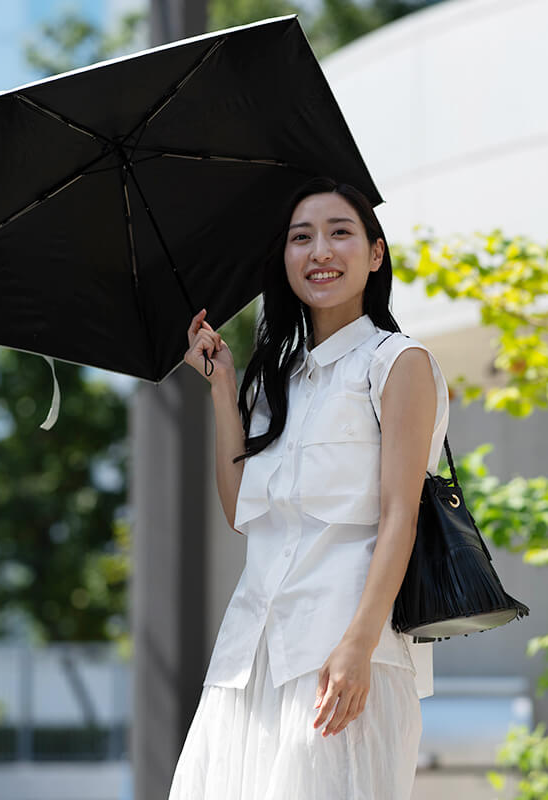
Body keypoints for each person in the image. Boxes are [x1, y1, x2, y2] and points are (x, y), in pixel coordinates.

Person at [167, 176, 449, 799]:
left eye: (339, 233)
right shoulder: (279, 377)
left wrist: (358, 644)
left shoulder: (397, 363)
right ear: (284, 260)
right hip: (251, 656)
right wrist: (222, 390)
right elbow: (243, 511)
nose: (320, 250)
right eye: (301, 238)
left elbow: (401, 516)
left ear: (375, 254)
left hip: (343, 652)